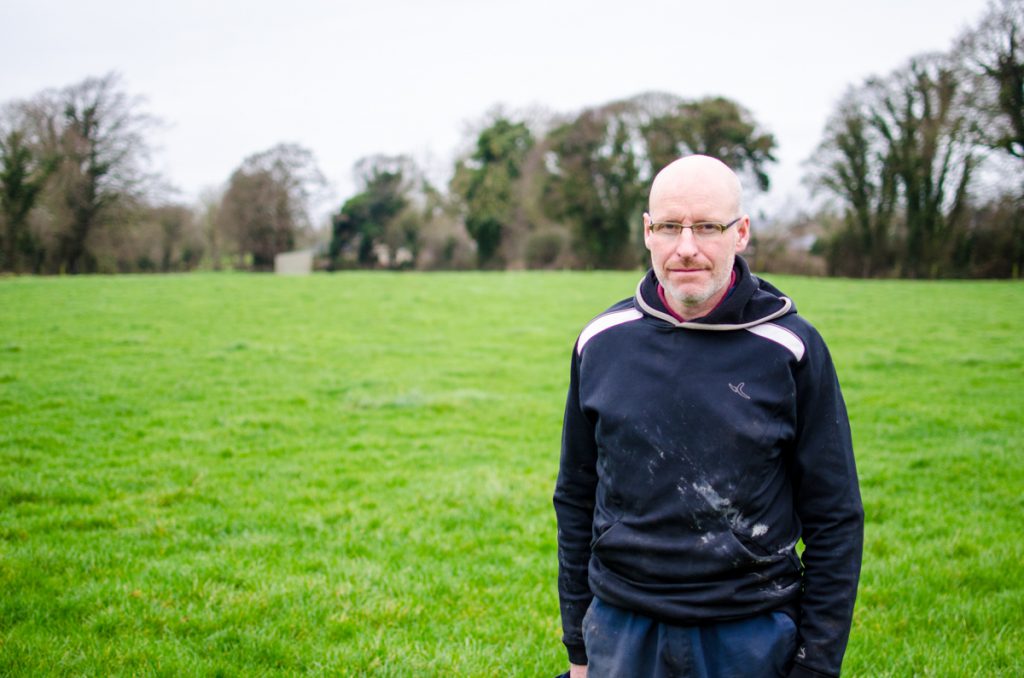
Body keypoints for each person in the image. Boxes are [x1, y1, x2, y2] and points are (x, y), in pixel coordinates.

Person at [553, 155, 864, 678]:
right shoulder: (601, 342)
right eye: (671, 226)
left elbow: (835, 517)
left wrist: (816, 665)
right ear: (648, 232)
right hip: (623, 630)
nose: (687, 247)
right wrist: (578, 650)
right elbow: (575, 498)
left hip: (749, 633)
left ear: (740, 233)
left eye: (708, 227)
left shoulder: (789, 348)